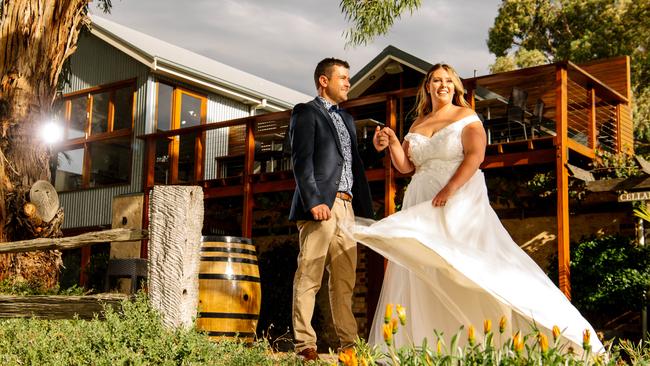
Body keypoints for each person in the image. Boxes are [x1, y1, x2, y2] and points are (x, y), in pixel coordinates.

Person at [348, 63, 603, 353]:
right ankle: (428, 346)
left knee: (467, 267)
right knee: (424, 269)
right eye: (436, 80)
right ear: (427, 86)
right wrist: (393, 141)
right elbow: (405, 166)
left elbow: (475, 156)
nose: (442, 85)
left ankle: (534, 332)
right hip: (419, 196)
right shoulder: (418, 123)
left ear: (455, 87)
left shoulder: (466, 116)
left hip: (456, 199)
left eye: (448, 80)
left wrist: (449, 189)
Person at [288, 57, 374, 361]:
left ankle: (348, 345)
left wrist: (364, 214)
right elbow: (301, 161)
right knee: (309, 274)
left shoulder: (347, 120)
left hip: (348, 207)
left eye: (348, 78)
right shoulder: (305, 113)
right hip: (321, 205)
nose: (348, 83)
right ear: (324, 81)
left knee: (344, 280)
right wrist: (314, 201)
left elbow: (352, 165)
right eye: (343, 78)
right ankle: (304, 345)